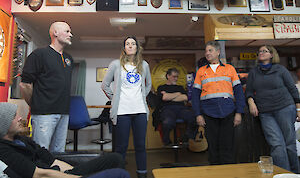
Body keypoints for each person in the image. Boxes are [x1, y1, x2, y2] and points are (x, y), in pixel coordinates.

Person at [0, 102, 130, 178]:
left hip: (59, 173)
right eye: (14, 116)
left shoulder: (21, 139)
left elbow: (51, 159)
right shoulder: (4, 150)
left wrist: (73, 172)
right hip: (49, 176)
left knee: (116, 158)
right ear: (3, 124)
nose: (20, 118)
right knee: (120, 174)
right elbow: (40, 174)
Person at [101, 36, 151, 178]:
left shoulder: (144, 65)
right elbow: (104, 85)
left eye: (133, 43)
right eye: (127, 44)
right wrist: (116, 99)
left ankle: (142, 174)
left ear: (137, 48)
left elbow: (148, 85)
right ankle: (118, 174)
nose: (130, 46)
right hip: (122, 111)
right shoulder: (115, 64)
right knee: (121, 147)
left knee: (140, 146)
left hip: (140, 111)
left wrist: (141, 98)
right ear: (124, 48)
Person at [19, 21, 73, 153]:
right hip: (44, 114)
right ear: (55, 33)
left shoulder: (68, 58)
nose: (70, 34)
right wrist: (36, 103)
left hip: (64, 113)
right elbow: (25, 85)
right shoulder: (39, 55)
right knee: (41, 154)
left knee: (59, 153)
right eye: (67, 31)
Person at [246, 45, 300, 173]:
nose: (261, 53)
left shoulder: (280, 70)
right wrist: (251, 102)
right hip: (265, 112)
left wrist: (298, 109)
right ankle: (284, 174)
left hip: (285, 108)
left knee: (289, 144)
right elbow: (248, 91)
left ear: (272, 55)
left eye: (265, 51)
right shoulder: (254, 72)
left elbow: (293, 89)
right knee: (276, 144)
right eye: (259, 51)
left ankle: (295, 173)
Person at [192, 40, 245, 165]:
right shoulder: (201, 71)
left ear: (218, 52)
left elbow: (239, 93)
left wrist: (239, 112)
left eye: (210, 50)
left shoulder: (230, 69)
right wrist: (198, 114)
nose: (207, 53)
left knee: (228, 145)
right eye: (206, 51)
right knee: (213, 147)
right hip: (208, 114)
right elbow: (195, 95)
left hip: (228, 112)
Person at [156, 68, 196, 145]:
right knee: (167, 122)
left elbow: (185, 98)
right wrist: (178, 94)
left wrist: (169, 96)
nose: (176, 78)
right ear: (168, 76)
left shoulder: (180, 87)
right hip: (167, 109)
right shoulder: (161, 87)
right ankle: (166, 141)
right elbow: (164, 98)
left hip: (181, 109)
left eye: (177, 77)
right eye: (174, 76)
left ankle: (186, 138)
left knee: (193, 117)